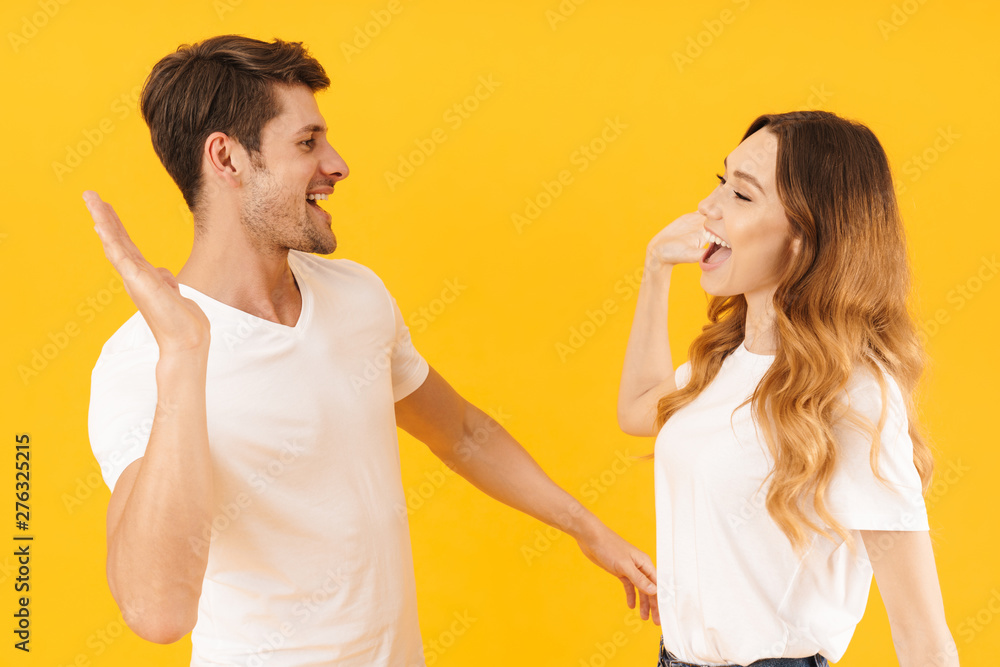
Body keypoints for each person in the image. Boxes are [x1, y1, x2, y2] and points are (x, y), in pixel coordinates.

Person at [83, 34, 658, 667]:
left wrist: (587, 528)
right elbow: (157, 611)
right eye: (307, 143)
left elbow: (461, 431)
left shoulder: (356, 295)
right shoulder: (144, 360)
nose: (337, 164)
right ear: (227, 159)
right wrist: (186, 357)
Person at [616, 110, 959, 667]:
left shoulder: (853, 395)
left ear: (804, 239)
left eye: (743, 196)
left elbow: (923, 636)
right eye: (720, 181)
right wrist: (655, 267)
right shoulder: (726, 360)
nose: (708, 207)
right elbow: (636, 409)